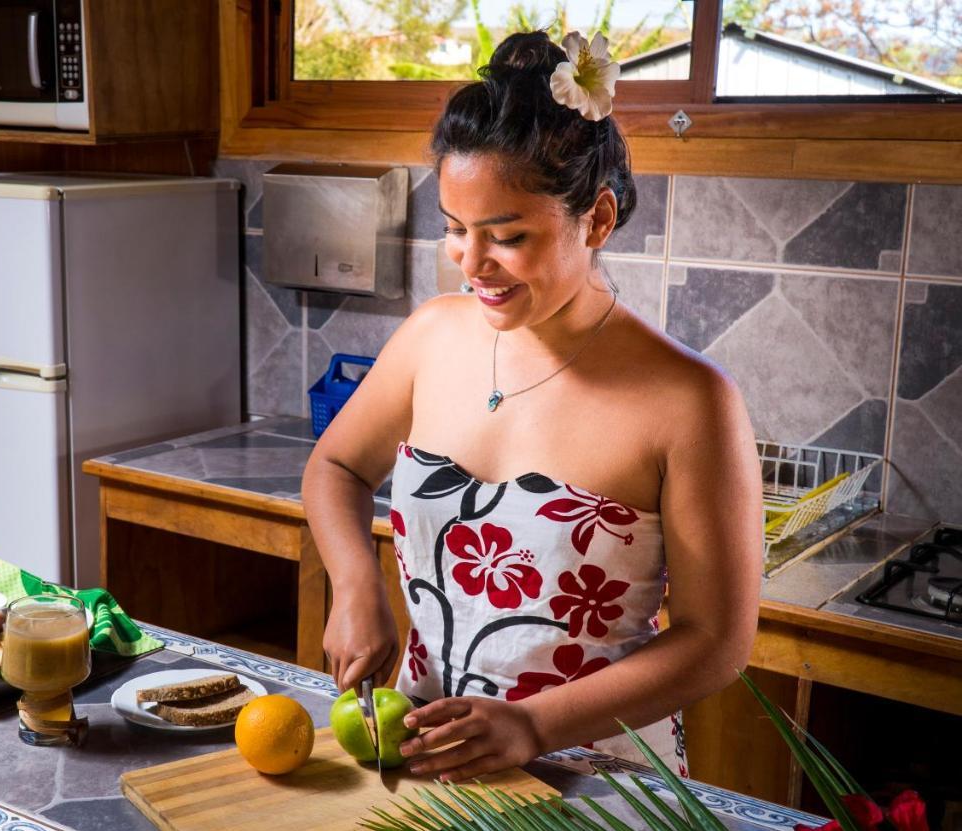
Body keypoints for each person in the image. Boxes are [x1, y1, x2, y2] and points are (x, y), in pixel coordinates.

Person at [301, 29, 762, 781]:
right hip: (426, 759)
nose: (472, 264)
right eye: (455, 230)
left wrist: (533, 723)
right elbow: (338, 465)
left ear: (598, 219)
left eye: (506, 236)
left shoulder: (690, 401)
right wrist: (355, 585)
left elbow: (717, 642)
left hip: (596, 782)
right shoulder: (431, 336)